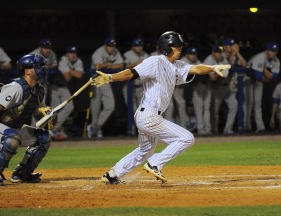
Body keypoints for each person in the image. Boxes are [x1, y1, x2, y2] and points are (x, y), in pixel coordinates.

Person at [91, 31, 230, 184]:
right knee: (186, 138)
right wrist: (110, 77)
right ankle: (155, 163)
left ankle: (112, 175)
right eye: (177, 47)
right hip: (149, 115)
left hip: (149, 115)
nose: (180, 50)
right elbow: (131, 73)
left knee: (145, 151)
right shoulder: (155, 61)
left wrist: (213, 67)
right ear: (167, 47)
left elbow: (196, 69)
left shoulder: (177, 65)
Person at [0, 54, 53, 186]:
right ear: (27, 70)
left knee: (44, 138)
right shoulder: (16, 87)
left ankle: (21, 174)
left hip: (13, 130)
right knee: (12, 137)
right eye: (38, 66)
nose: (43, 69)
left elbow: (37, 115)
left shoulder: (39, 90)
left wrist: (48, 117)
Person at [87, 37, 124, 138]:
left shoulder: (116, 51)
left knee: (110, 105)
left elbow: (120, 66)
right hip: (96, 78)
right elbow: (98, 67)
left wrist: (107, 65)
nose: (111, 48)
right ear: (105, 46)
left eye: (113, 46)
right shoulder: (98, 52)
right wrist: (110, 65)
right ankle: (95, 129)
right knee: (96, 106)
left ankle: (95, 127)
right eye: (109, 46)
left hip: (105, 79)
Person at [50, 45, 84, 141]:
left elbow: (79, 75)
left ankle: (55, 129)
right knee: (54, 110)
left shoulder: (78, 61)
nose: (73, 55)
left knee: (69, 107)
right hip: (54, 87)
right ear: (67, 54)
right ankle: (52, 130)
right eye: (71, 53)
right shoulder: (63, 60)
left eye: (74, 53)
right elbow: (67, 77)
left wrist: (70, 71)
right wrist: (73, 71)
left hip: (64, 87)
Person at [244, 42, 280, 133]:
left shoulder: (276, 61)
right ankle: (246, 126)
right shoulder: (259, 58)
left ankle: (260, 127)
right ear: (267, 50)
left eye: (275, 51)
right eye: (272, 51)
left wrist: (263, 70)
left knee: (258, 104)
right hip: (247, 79)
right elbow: (258, 76)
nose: (274, 53)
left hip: (259, 81)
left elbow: (274, 77)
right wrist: (267, 73)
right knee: (249, 104)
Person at [165, 47, 200, 128]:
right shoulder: (181, 61)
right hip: (167, 87)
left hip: (177, 88)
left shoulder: (182, 61)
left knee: (181, 103)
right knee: (170, 107)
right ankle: (167, 128)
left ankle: (183, 126)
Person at [207, 45, 236, 134]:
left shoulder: (222, 58)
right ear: (213, 53)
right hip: (215, 87)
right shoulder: (209, 60)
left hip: (226, 87)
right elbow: (212, 78)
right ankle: (214, 130)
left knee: (234, 105)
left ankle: (228, 129)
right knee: (214, 110)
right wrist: (220, 70)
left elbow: (229, 65)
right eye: (217, 52)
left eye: (220, 52)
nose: (220, 54)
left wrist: (234, 53)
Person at [123, 38, 149, 135]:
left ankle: (140, 130)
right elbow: (124, 66)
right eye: (137, 46)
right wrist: (137, 63)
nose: (139, 48)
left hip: (140, 86)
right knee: (132, 109)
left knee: (141, 109)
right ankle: (132, 129)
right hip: (128, 86)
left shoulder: (145, 55)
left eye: (140, 46)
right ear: (133, 47)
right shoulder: (127, 54)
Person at [29, 38, 58, 106]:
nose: (47, 50)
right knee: (32, 104)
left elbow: (54, 65)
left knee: (42, 104)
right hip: (32, 82)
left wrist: (45, 66)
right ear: (40, 48)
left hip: (43, 82)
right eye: (45, 48)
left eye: (49, 48)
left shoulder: (52, 53)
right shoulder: (33, 54)